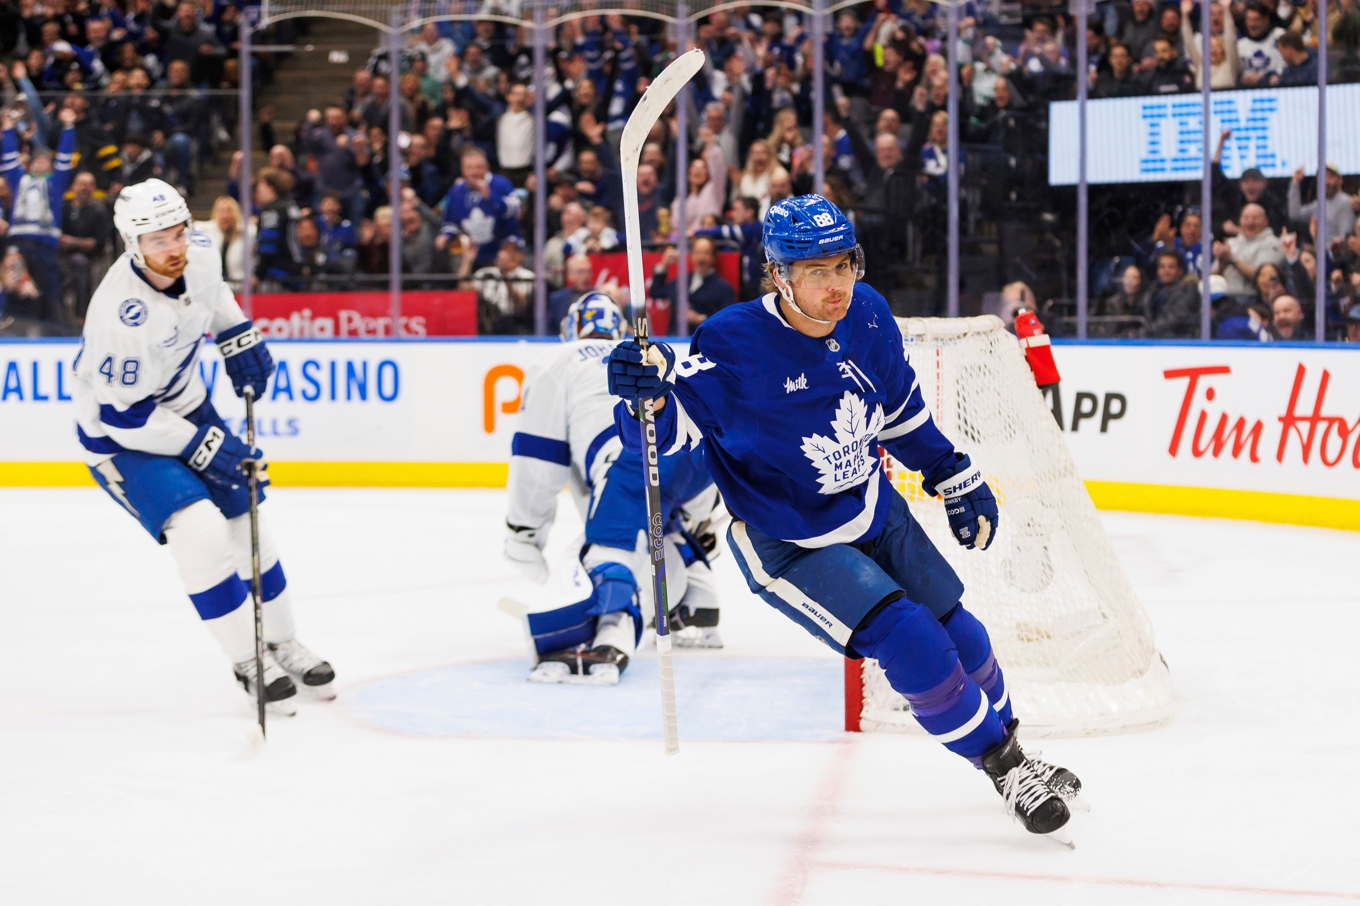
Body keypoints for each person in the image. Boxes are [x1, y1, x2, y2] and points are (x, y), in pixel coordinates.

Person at [604, 195, 1079, 838]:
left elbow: (903, 412)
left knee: (962, 635)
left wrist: (950, 472)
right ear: (778, 275)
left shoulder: (870, 314)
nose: (837, 286)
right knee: (910, 638)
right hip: (790, 539)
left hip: (873, 507)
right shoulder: (735, 342)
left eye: (843, 264)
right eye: (816, 271)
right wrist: (647, 394)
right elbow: (664, 438)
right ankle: (1006, 769)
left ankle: (1015, 754)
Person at [73, 179, 333, 712]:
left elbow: (214, 296)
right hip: (121, 439)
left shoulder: (201, 252)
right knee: (201, 531)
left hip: (186, 405)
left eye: (178, 233)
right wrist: (203, 446)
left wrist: (238, 336)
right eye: (157, 240)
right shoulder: (119, 317)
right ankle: (247, 659)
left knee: (246, 521)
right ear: (131, 245)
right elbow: (126, 418)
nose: (173, 248)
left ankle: (283, 642)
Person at [504, 293, 723, 684]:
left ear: (569, 328)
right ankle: (696, 592)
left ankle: (611, 633)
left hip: (632, 455)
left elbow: (537, 460)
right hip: (698, 454)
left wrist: (523, 534)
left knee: (608, 544)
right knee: (660, 519)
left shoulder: (560, 359)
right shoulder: (642, 352)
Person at [3, 107, 77, 327]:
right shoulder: (19, 181)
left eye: (45, 161)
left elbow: (65, 158)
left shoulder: (55, 184)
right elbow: (9, 161)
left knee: (48, 289)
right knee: (14, 284)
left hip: (46, 245)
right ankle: (10, 326)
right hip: (19, 243)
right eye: (36, 160)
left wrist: (69, 127)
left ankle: (52, 330)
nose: (40, 163)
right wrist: (7, 129)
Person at [437, 147, 521, 270]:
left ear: (486, 167)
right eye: (469, 168)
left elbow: (516, 211)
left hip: (503, 253)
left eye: (478, 167)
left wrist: (491, 197)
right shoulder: (456, 191)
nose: (474, 172)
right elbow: (451, 222)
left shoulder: (501, 184)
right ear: (462, 170)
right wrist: (445, 236)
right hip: (472, 255)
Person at [649, 236, 736, 329]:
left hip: (703, 340)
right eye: (697, 252)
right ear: (691, 255)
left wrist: (701, 318)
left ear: (713, 257)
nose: (701, 258)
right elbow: (656, 292)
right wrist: (664, 265)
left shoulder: (723, 288)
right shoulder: (682, 281)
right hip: (675, 340)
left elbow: (728, 319)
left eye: (706, 253)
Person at [60, 171, 113, 321]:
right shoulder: (63, 208)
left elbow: (98, 243)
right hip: (60, 255)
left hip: (89, 259)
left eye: (89, 184)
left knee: (79, 262)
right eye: (81, 184)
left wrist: (73, 242)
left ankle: (81, 316)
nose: (85, 188)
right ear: (73, 187)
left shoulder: (99, 212)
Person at [1213, 202, 1285, 296]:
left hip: (1252, 298)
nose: (1250, 222)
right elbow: (1212, 278)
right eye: (1246, 218)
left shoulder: (1274, 244)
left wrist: (1232, 259)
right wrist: (1221, 265)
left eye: (1255, 218)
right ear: (1239, 221)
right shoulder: (1230, 243)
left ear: (1265, 221)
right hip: (1224, 297)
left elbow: (1262, 276)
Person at [470, 237, 535, 335]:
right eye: (505, 249)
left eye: (514, 250)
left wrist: (506, 276)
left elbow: (521, 306)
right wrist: (467, 261)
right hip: (487, 322)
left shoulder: (527, 276)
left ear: (521, 255)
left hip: (515, 325)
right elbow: (464, 291)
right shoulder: (485, 273)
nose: (508, 253)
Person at [1287, 163, 1357, 247]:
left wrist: (1327, 249)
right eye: (1323, 177)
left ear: (1340, 180)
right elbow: (1295, 214)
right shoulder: (1319, 204)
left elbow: (1345, 239)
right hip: (1321, 255)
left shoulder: (1346, 203)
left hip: (1337, 258)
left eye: (1330, 177)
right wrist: (1295, 182)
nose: (1326, 181)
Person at [193, 196, 248, 291]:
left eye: (228, 211)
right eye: (221, 211)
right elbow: (194, 226)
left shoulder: (246, 234)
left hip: (240, 287)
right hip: (214, 287)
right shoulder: (207, 231)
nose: (225, 215)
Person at [548, 253, 595, 330]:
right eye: (580, 272)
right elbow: (549, 331)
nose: (586, 275)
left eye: (588, 271)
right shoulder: (557, 299)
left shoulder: (600, 297)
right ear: (570, 275)